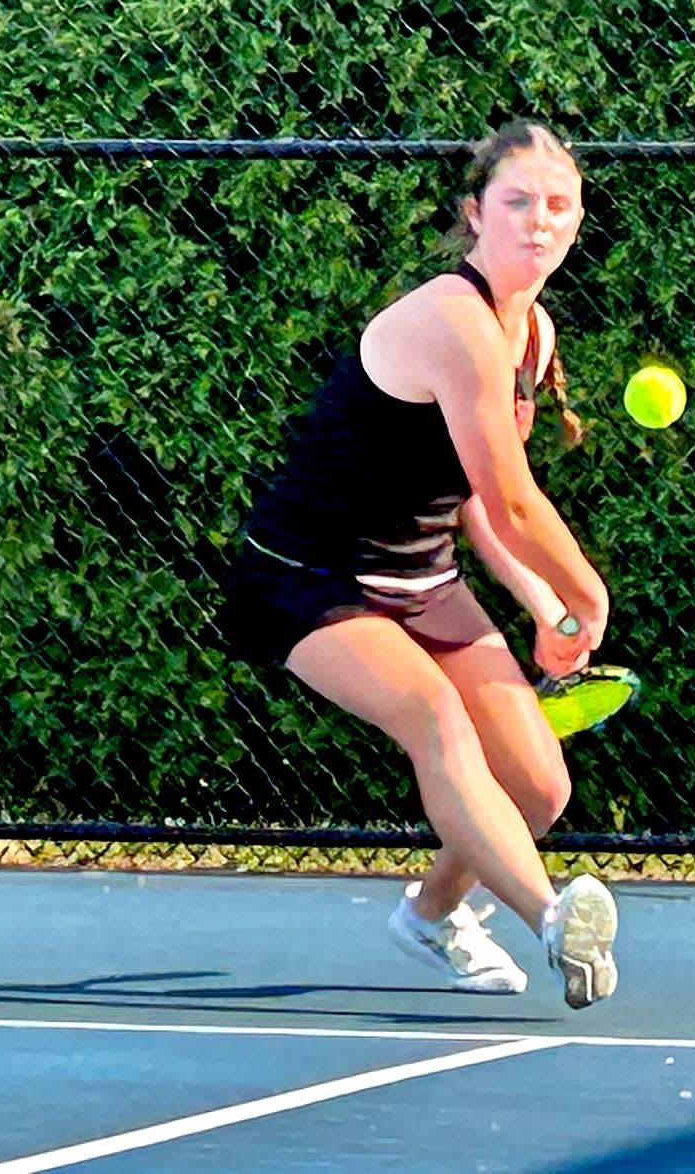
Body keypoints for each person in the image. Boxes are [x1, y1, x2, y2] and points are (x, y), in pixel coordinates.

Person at [220, 122, 618, 1008]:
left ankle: (431, 917)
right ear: (475, 215)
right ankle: (556, 924)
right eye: (517, 203)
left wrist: (546, 608)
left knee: (537, 785)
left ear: (578, 223)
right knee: (438, 719)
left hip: (422, 582)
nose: (538, 223)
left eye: (559, 206)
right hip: (312, 578)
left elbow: (479, 507)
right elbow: (516, 501)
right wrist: (589, 594)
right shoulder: (450, 315)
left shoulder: (533, 333)